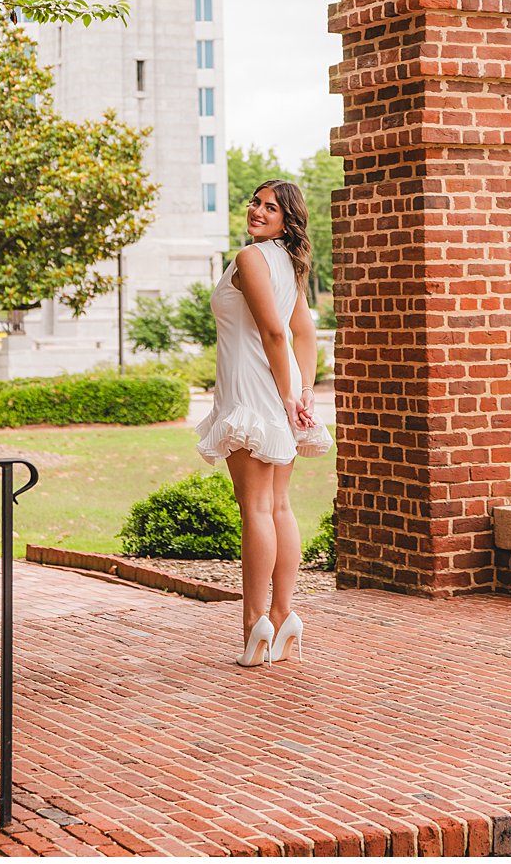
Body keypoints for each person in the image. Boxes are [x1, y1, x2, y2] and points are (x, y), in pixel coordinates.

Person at [193, 178, 332, 666]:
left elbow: (278, 332)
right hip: (278, 386)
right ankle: (284, 614)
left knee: (255, 507)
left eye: (270, 207)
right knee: (277, 505)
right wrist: (302, 391)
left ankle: (255, 624)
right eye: (256, 202)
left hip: (255, 388)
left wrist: (292, 396)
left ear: (287, 219)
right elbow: (303, 332)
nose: (257, 210)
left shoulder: (252, 258)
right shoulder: (288, 263)